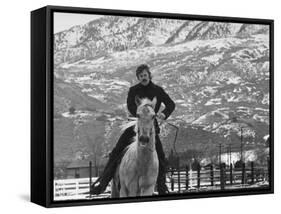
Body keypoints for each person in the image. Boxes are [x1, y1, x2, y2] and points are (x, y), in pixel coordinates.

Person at [91, 64, 175, 195]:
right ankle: (102, 183)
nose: (143, 78)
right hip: (134, 124)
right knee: (116, 151)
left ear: (149, 75)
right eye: (141, 76)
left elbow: (171, 104)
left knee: (161, 156)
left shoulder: (158, 90)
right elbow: (130, 106)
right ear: (138, 77)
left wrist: (163, 114)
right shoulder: (133, 90)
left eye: (145, 75)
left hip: (151, 127)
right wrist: (141, 110)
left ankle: (162, 186)